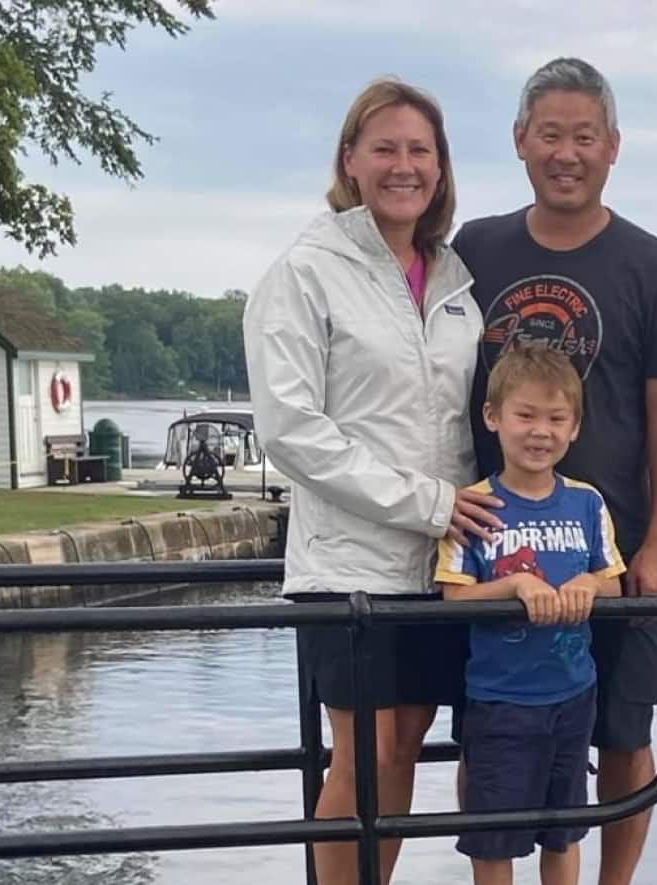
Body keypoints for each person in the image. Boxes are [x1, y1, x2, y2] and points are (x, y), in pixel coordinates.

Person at [243, 77, 503, 885]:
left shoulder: (455, 279)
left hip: (437, 567)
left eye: (419, 150)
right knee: (361, 757)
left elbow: (466, 420)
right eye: (384, 147)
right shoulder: (306, 272)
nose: (403, 165)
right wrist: (428, 503)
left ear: (440, 166)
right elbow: (291, 431)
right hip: (348, 563)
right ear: (350, 159)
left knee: (402, 756)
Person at [452, 57, 657, 885]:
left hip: (610, 556)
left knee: (624, 735)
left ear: (613, 147)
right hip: (496, 556)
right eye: (549, 133)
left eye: (583, 136)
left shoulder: (654, 266)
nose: (567, 152)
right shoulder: (474, 249)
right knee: (491, 732)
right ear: (520, 140)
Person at [437, 345, 625, 885]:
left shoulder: (587, 503)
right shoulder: (472, 505)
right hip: (501, 700)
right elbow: (455, 597)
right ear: (493, 418)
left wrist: (588, 584)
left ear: (574, 428)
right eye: (525, 415)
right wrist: (516, 586)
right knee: (495, 833)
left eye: (555, 418)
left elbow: (611, 580)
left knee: (564, 827)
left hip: (573, 694)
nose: (540, 431)